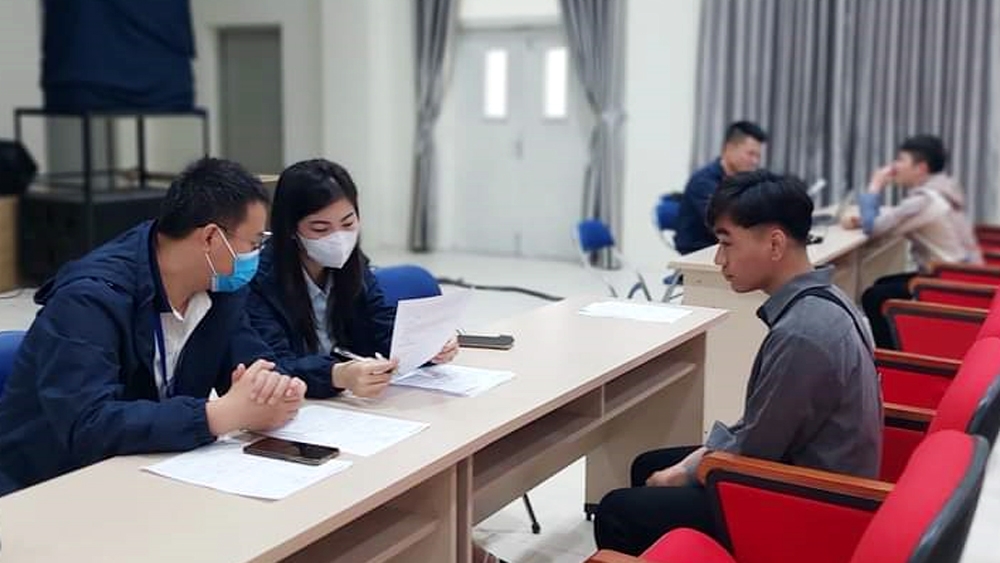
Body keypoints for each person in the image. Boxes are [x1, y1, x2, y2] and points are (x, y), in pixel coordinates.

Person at [594, 171, 882, 555]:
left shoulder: (802, 333)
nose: (719, 259)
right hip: (814, 480)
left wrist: (685, 471)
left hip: (809, 506)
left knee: (618, 511)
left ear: (775, 244)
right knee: (648, 465)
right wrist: (688, 466)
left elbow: (754, 451)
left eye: (726, 243)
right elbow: (761, 427)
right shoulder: (828, 300)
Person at [0, 158, 307, 497]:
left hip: (152, 470)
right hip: (49, 487)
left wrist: (276, 389)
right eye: (254, 243)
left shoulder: (219, 286)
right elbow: (89, 425)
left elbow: (252, 362)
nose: (257, 254)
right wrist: (217, 416)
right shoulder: (88, 300)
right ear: (210, 238)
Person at [247, 159, 458, 399]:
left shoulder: (354, 265)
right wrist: (337, 375)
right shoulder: (260, 280)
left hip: (348, 402)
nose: (338, 238)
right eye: (320, 229)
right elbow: (273, 365)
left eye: (348, 223)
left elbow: (382, 329)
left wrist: (427, 346)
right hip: (297, 404)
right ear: (290, 229)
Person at [842, 134, 983, 348]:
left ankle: (891, 357)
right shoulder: (943, 189)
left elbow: (873, 228)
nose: (894, 166)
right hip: (961, 274)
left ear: (921, 168)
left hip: (944, 281)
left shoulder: (923, 200)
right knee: (882, 284)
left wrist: (875, 185)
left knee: (872, 296)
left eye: (901, 160)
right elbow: (894, 219)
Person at [673, 121, 768, 254]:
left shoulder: (746, 181)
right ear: (729, 148)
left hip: (728, 251)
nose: (755, 161)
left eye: (758, 156)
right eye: (750, 154)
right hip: (700, 253)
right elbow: (724, 224)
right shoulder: (703, 182)